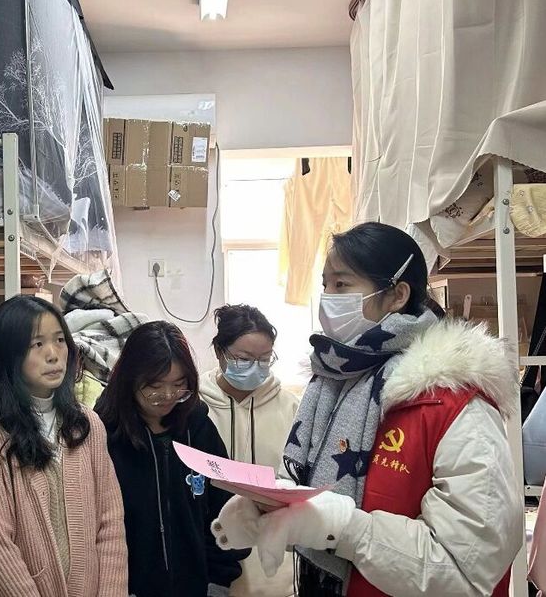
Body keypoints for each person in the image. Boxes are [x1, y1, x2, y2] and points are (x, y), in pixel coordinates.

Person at [212, 222, 522, 596]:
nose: (328, 298)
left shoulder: (453, 403)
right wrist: (270, 513)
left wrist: (341, 528)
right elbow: (310, 497)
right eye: (325, 285)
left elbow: (467, 572)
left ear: (397, 295)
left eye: (342, 285)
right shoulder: (330, 384)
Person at [0, 295, 128, 597]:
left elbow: (110, 524)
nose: (53, 354)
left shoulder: (86, 425)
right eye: (37, 344)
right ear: (9, 354)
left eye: (59, 340)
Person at [95, 320, 249, 597]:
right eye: (154, 386)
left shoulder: (198, 429)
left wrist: (219, 582)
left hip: (199, 588)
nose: (168, 396)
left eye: (179, 385)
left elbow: (226, 509)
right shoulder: (105, 435)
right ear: (130, 380)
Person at [199, 304, 300, 597]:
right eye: (244, 359)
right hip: (211, 559)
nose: (256, 367)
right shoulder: (195, 407)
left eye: (265, 359)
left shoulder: (291, 408)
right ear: (219, 352)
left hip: (276, 567)